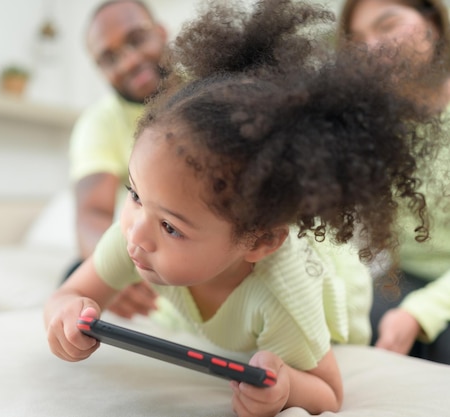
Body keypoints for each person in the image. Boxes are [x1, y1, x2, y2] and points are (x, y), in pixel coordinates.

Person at [45, 0, 444, 415]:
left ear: (260, 242)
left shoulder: (281, 300)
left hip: (330, 294)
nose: (135, 235)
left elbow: (329, 392)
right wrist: (64, 314)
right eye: (134, 194)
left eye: (170, 227)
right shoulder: (137, 229)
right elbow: (70, 292)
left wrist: (287, 385)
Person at [337, 0, 450, 364]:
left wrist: (421, 313)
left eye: (387, 26)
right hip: (407, 277)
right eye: (357, 40)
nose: (371, 47)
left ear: (432, 22)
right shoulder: (370, 124)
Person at [65, 0, 168, 319]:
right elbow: (92, 213)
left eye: (137, 40)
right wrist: (113, 273)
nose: (129, 62)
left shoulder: (212, 87)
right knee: (72, 282)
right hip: (150, 257)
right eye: (109, 58)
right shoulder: (99, 123)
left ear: (162, 33)